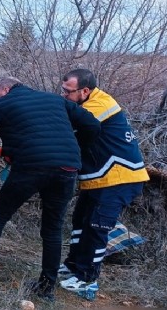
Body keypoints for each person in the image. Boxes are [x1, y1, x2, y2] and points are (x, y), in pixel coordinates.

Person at [0, 77, 100, 301]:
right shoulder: (55, 100)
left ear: (5, 89)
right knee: (53, 229)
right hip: (68, 168)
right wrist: (74, 148)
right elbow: (92, 124)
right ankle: (46, 288)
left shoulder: (3, 104)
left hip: (31, 166)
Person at [58, 69, 149, 299]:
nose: (64, 95)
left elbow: (67, 128)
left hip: (119, 178)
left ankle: (88, 279)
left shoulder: (99, 105)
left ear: (85, 91)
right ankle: (73, 266)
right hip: (99, 177)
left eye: (68, 92)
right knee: (81, 221)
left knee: (97, 227)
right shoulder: (84, 102)